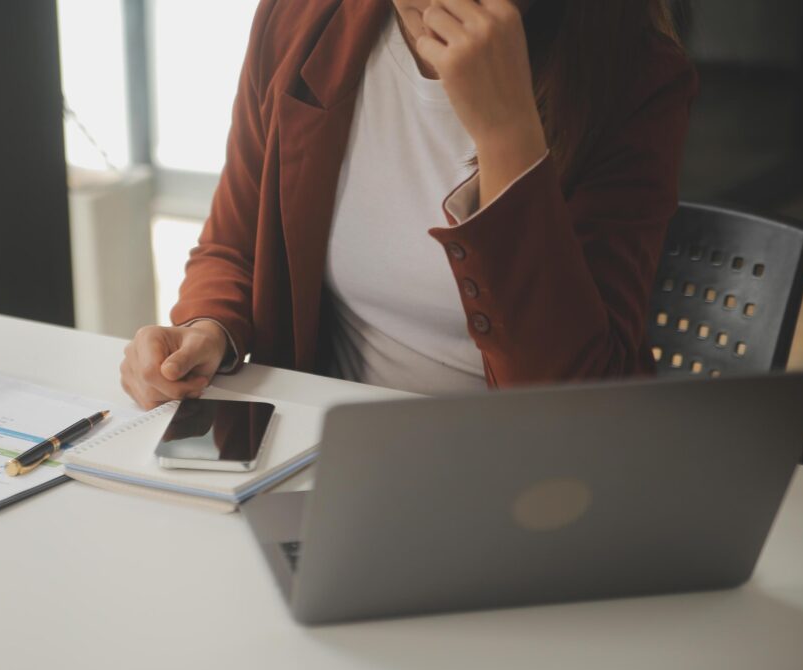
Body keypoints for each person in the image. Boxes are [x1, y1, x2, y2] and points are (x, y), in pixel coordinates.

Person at [121, 0, 697, 409]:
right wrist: (207, 327)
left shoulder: (636, 78)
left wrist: (506, 134)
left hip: (521, 482)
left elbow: (577, 406)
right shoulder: (300, 20)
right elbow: (237, 244)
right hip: (331, 459)